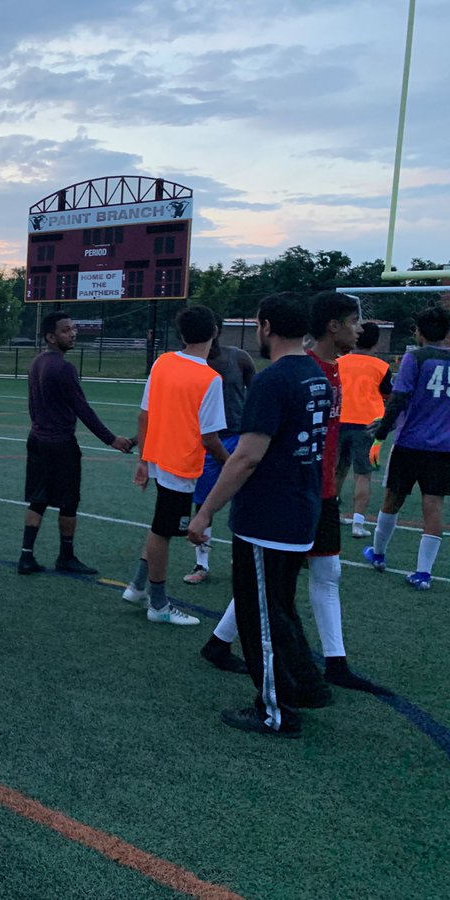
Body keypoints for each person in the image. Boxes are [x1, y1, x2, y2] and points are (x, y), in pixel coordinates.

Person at [201, 291, 386, 693]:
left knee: (279, 587)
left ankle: (300, 676)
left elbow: (256, 453)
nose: (360, 329)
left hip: (305, 495)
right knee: (272, 588)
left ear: (266, 327)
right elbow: (254, 453)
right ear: (330, 326)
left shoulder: (311, 373)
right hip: (297, 496)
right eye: (353, 321)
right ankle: (299, 677)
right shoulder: (305, 373)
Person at [188, 292, 332, 738]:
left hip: (269, 517)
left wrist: (205, 512)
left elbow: (247, 457)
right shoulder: (316, 374)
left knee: (261, 619)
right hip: (300, 509)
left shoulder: (273, 380)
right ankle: (304, 685)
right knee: (279, 608)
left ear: (266, 326)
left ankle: (274, 711)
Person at [123, 306, 228, 625]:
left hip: (159, 459)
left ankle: (137, 587)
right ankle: (158, 604)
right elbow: (209, 438)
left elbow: (144, 415)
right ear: (215, 332)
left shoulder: (163, 362)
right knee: (162, 531)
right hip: (180, 466)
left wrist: (144, 460)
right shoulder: (210, 379)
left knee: (162, 526)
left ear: (182, 335)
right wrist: (231, 464)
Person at [18, 313, 133, 576]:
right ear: (51, 337)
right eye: (66, 330)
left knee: (38, 500)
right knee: (68, 502)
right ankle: (66, 557)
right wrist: (112, 439)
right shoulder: (64, 368)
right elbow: (82, 409)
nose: (73, 333)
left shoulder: (36, 362)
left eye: (73, 328)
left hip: (37, 440)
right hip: (60, 443)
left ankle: (26, 556)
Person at [364, 305, 450, 590]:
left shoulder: (415, 358)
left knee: (393, 499)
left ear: (419, 332)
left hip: (410, 442)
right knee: (433, 505)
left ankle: (378, 554)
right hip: (443, 447)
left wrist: (381, 433)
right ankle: (424, 573)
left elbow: (399, 399)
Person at [182, 321, 255, 585]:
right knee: (204, 502)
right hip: (205, 442)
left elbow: (255, 395)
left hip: (237, 437)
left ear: (216, 331)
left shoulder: (239, 358)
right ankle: (201, 563)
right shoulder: (187, 363)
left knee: (244, 499)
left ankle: (242, 557)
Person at [336, 322, 392, 538]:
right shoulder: (381, 366)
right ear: (376, 341)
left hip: (339, 420)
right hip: (368, 424)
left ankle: (331, 514)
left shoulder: (339, 362)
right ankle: (358, 523)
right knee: (363, 475)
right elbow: (388, 395)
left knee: (337, 470)